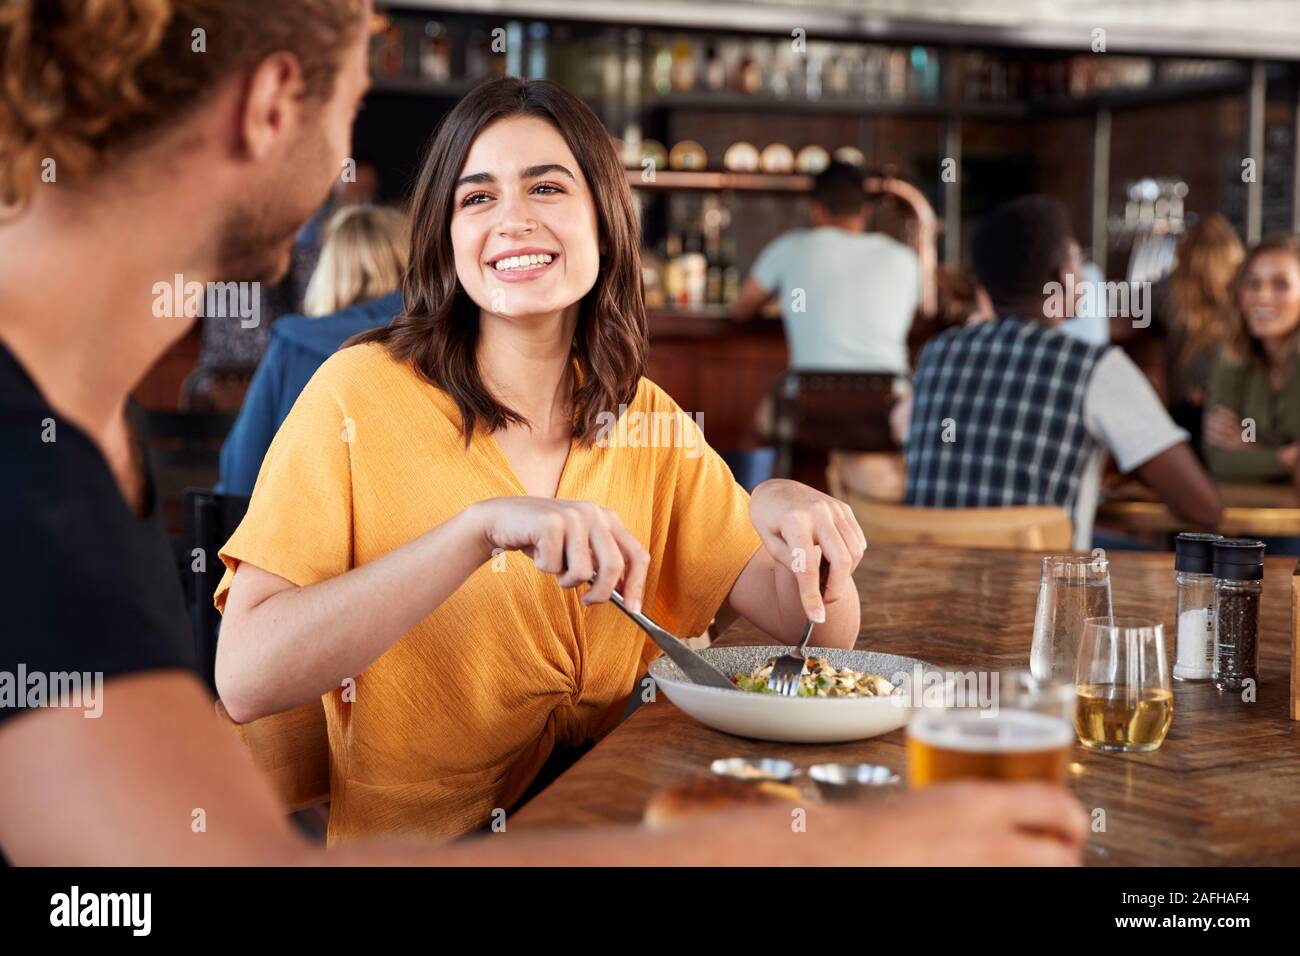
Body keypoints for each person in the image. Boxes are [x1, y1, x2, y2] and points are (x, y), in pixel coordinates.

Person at [0, 1, 1084, 866]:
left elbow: (816, 635)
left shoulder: (643, 415)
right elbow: (225, 742)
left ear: (606, 222)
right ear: (276, 103)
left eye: (547, 188)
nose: (509, 218)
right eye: (473, 196)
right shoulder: (328, 398)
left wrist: (794, 520)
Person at [902, 196, 1222, 549]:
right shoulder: (1095, 367)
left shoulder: (937, 353)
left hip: (931, 577)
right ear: (1063, 276)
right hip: (1041, 594)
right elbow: (1202, 507)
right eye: (1077, 259)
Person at [217, 204, 407, 496]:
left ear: (328, 272)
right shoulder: (443, 343)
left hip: (304, 534)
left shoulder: (293, 344)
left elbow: (240, 478)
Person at [731, 161, 921, 375]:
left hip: (811, 394)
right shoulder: (903, 258)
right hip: (891, 394)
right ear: (866, 211)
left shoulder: (789, 249)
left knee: (766, 408)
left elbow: (740, 310)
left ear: (816, 209)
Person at [1119, 214, 1244, 456]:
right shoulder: (1247, 295)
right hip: (1237, 414)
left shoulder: (1165, 292)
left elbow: (1117, 315)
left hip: (1182, 415)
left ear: (1184, 252)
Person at [1203, 235, 1300, 486]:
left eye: (1280, 284)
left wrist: (1251, 445)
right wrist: (1284, 458)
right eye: (1253, 284)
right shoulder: (1234, 356)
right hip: (1250, 516)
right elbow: (1219, 458)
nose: (1262, 297)